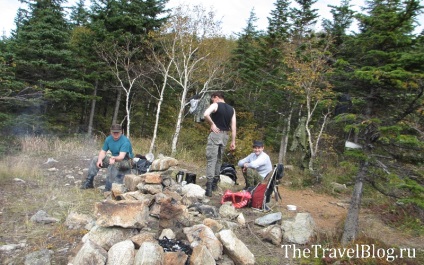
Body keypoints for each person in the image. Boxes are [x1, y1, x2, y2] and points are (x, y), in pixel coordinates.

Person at [81, 124, 134, 191]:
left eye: (117, 132)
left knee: (113, 164)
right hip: (114, 158)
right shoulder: (108, 139)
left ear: (121, 132)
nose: (115, 134)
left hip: (126, 161)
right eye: (114, 132)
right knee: (95, 159)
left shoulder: (125, 141)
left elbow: (121, 156)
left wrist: (113, 158)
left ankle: (108, 187)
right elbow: (103, 152)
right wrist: (100, 160)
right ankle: (89, 182)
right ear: (111, 132)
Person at [203, 92, 236, 197]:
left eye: (213, 99)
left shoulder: (215, 105)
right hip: (225, 136)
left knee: (211, 159)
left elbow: (205, 114)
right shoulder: (232, 109)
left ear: (216, 97)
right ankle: (215, 184)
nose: (212, 101)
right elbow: (233, 127)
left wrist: (212, 124)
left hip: (216, 134)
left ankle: (209, 187)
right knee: (219, 159)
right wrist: (233, 141)